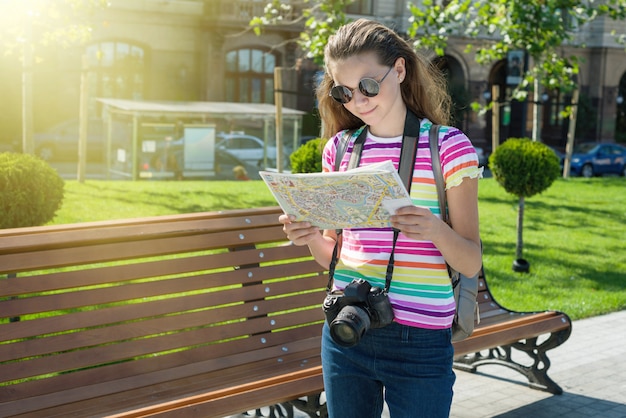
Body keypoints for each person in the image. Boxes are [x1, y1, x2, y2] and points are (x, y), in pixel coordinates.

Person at [279, 18, 482, 418]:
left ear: (400, 70)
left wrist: (434, 229)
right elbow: (335, 257)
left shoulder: (448, 148)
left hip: (421, 341)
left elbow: (470, 261)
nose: (358, 101)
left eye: (369, 85)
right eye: (344, 92)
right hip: (346, 329)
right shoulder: (339, 150)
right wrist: (308, 237)